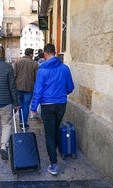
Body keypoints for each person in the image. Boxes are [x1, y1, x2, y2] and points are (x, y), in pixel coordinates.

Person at [30, 43, 75, 175]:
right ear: (55, 53)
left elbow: (37, 91)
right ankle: (54, 150)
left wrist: (33, 108)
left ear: (45, 54)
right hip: (61, 104)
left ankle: (54, 164)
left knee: (49, 133)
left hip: (47, 105)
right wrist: (61, 93)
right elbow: (70, 87)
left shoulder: (42, 70)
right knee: (55, 129)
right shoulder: (65, 68)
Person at [14, 48, 38, 130]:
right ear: (31, 54)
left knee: (20, 104)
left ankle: (21, 121)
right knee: (26, 105)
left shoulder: (18, 62)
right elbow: (36, 78)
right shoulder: (34, 64)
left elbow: (14, 75)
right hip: (29, 87)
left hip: (18, 87)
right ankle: (24, 123)